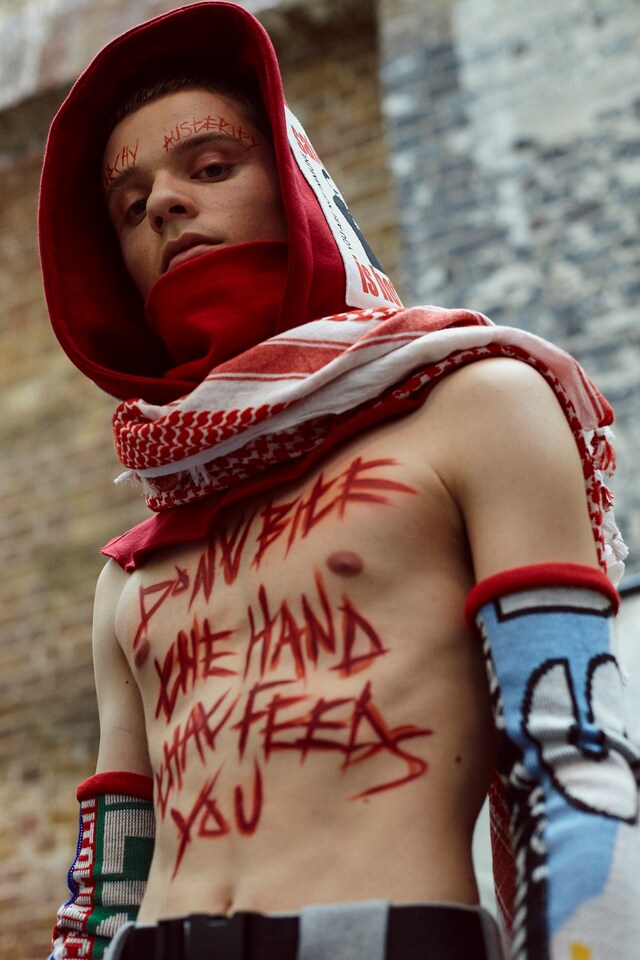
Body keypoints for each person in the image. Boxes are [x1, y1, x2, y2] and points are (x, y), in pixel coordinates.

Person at [39, 4, 639, 960]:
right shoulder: (132, 571)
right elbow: (105, 888)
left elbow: (569, 765)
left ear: (300, 188)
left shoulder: (477, 402)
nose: (162, 204)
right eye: (129, 203)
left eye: (210, 166)